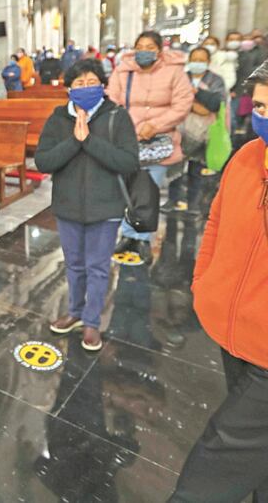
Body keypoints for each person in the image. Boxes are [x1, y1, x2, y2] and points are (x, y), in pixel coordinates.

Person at [169, 61, 268, 503]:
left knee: (213, 467)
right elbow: (215, 222)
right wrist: (203, 281)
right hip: (234, 333)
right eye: (262, 106)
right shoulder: (248, 156)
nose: (265, 117)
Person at [35, 59, 139, 351]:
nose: (85, 87)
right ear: (68, 88)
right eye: (78, 83)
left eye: (91, 82)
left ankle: (92, 322)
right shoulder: (58, 117)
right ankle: (75, 312)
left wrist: (89, 140)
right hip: (68, 206)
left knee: (97, 267)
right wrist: (74, 141)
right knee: (74, 265)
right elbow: (43, 161)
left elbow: (129, 161)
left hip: (105, 208)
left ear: (103, 85)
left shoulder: (117, 117)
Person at [107, 30, 194, 264]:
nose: (144, 51)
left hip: (157, 140)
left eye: (149, 46)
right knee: (129, 189)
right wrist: (129, 128)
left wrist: (155, 125)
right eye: (139, 46)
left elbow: (183, 103)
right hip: (127, 140)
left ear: (159, 49)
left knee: (149, 190)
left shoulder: (174, 71)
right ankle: (128, 235)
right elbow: (112, 100)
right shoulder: (123, 71)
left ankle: (142, 238)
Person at [163, 46, 227, 216]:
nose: (197, 63)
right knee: (175, 167)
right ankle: (173, 200)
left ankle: (193, 204)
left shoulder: (216, 80)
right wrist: (193, 104)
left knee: (196, 170)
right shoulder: (181, 78)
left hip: (203, 133)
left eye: (201, 60)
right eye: (194, 59)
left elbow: (213, 106)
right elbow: (172, 100)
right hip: (179, 130)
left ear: (208, 62)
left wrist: (193, 96)